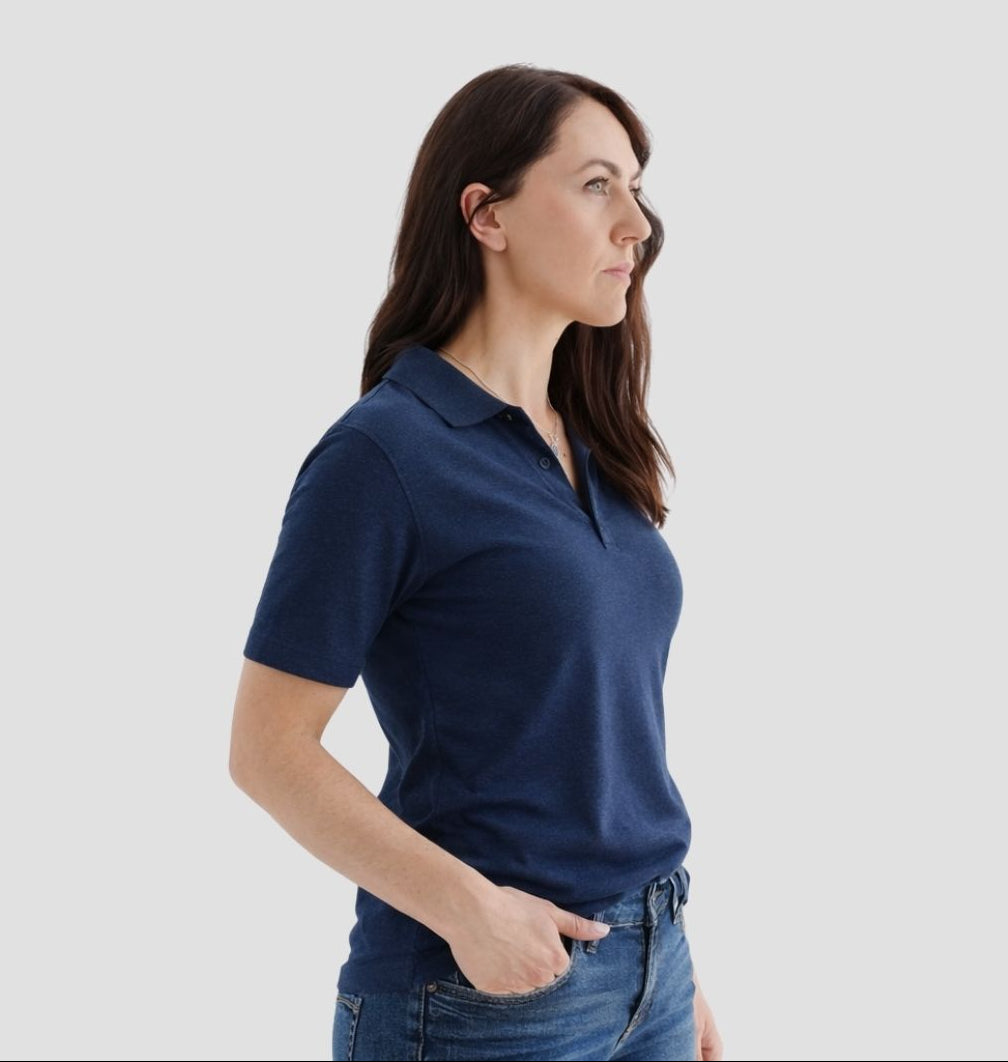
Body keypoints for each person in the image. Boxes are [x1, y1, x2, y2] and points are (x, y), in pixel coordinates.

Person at [228, 62, 724, 1062]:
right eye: (597, 185)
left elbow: (599, 740)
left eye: (638, 186)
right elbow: (267, 749)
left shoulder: (598, 446)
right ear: (485, 215)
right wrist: (471, 912)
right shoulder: (385, 455)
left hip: (651, 969)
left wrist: (670, 968)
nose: (639, 224)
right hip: (481, 997)